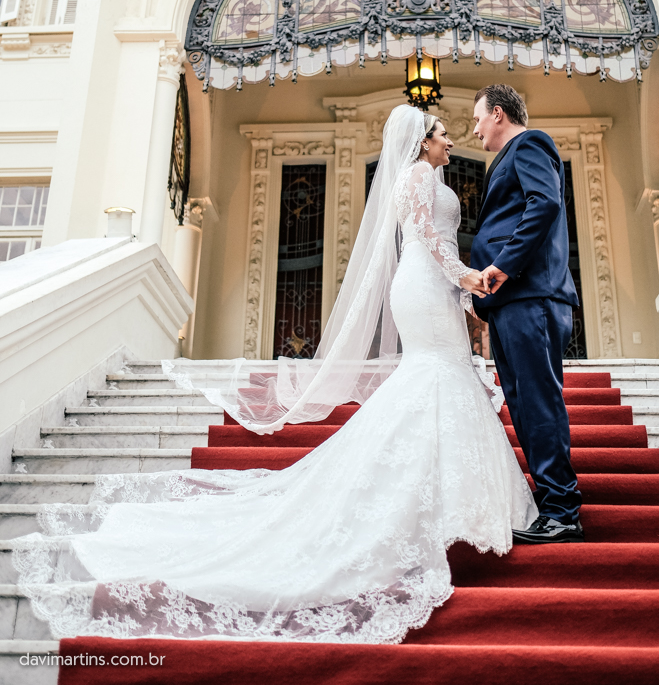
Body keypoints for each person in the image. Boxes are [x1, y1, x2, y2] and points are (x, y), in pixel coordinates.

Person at [14, 104, 537, 644]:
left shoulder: (421, 175)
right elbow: (429, 240)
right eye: (443, 135)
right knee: (434, 377)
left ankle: (447, 501)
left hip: (432, 289)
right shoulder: (419, 175)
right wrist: (468, 277)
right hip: (428, 286)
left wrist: (461, 288)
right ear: (422, 142)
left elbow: (433, 242)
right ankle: (433, 502)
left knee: (435, 377)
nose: (452, 142)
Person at [471, 83, 583, 543]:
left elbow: (546, 203)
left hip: (530, 294)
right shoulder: (508, 157)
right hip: (511, 301)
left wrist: (502, 264)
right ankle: (552, 503)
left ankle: (563, 510)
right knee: (523, 402)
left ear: (499, 114)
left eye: (478, 118)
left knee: (537, 401)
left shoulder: (531, 143)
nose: (474, 129)